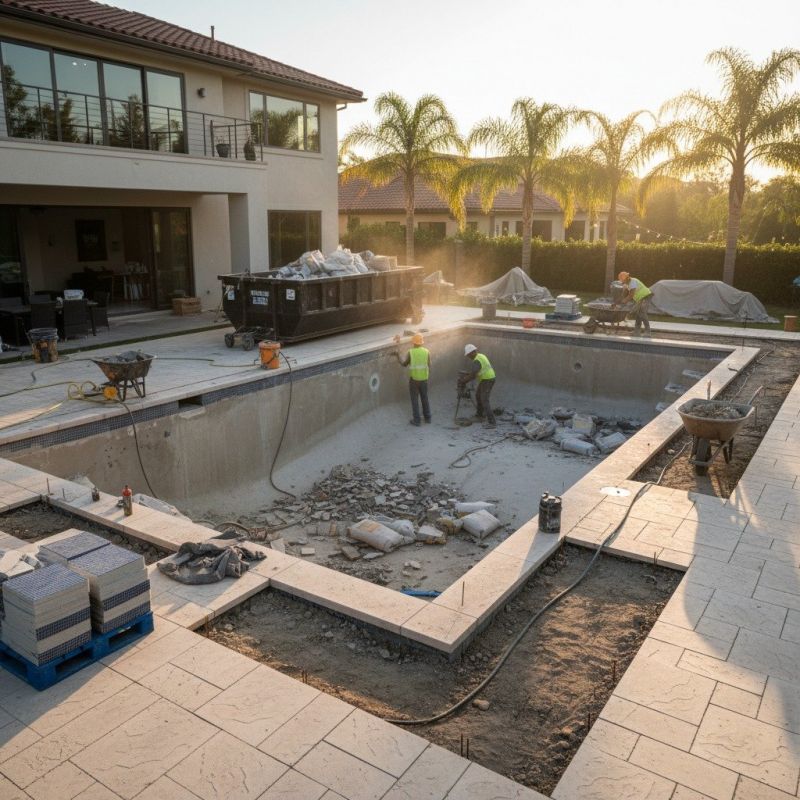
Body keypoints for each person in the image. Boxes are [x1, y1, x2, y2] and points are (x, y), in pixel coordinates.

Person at [396, 333, 431, 426]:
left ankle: (417, 420)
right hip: (424, 379)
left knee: (414, 400)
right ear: (422, 343)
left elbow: (404, 364)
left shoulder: (411, 352)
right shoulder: (427, 351)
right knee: (425, 398)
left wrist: (397, 356)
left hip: (414, 380)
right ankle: (428, 418)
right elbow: (429, 365)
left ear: (413, 343)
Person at [460, 344, 496, 427]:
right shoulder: (481, 356)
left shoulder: (476, 361)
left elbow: (473, 375)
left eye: (468, 355)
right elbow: (476, 372)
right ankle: (480, 415)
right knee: (478, 396)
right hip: (486, 379)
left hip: (488, 380)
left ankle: (492, 422)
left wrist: (463, 381)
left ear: (472, 352)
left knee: (484, 400)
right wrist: (468, 376)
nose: (468, 357)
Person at [618, 271, 653, 336]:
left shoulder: (632, 282)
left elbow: (631, 294)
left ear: (627, 278)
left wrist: (624, 301)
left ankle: (648, 332)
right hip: (641, 298)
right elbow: (624, 293)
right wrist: (621, 299)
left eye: (623, 281)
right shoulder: (628, 284)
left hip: (646, 296)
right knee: (638, 314)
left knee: (642, 313)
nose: (623, 283)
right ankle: (637, 332)